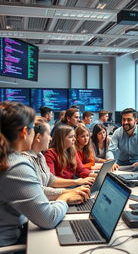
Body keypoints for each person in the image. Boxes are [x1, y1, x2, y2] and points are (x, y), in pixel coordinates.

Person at [0, 102, 88, 247]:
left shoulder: (8, 159)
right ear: (24, 132)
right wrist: (64, 197)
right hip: (10, 243)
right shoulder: (16, 165)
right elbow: (49, 218)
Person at [22, 117, 94, 201]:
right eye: (48, 135)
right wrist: (70, 191)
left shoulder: (40, 156)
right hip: (52, 195)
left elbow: (51, 179)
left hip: (58, 192)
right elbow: (40, 190)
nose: (50, 138)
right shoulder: (30, 159)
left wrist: (79, 181)